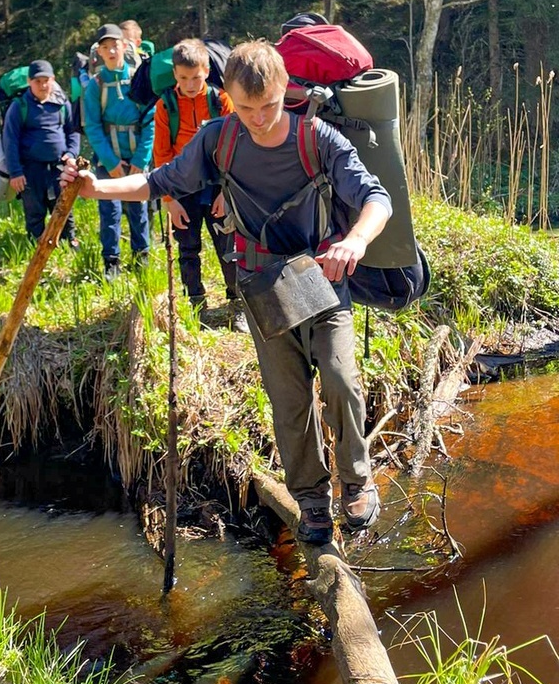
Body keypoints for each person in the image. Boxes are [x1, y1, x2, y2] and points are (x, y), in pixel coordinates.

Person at [62, 40, 391, 545]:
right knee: (289, 401)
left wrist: (355, 240)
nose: (258, 119)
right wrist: (94, 189)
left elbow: (375, 198)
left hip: (324, 282)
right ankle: (310, 501)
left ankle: (356, 482)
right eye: (246, 108)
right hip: (263, 287)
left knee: (341, 380)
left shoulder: (317, 137)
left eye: (269, 106)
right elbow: (158, 181)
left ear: (287, 92)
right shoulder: (219, 139)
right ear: (229, 96)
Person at [153, 39, 243, 326]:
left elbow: (233, 149)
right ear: (175, 75)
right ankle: (197, 305)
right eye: (183, 78)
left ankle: (237, 304)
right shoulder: (166, 106)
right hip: (182, 188)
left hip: (217, 186)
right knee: (188, 248)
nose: (190, 84)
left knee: (228, 246)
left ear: (206, 70)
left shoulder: (221, 100)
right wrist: (169, 200)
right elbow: (162, 155)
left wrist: (227, 193)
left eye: (195, 77)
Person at [81, 23, 154, 279]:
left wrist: (141, 159)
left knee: (139, 208)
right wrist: (110, 162)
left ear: (125, 46)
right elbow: (91, 125)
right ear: (99, 52)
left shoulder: (138, 78)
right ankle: (111, 262)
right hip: (107, 157)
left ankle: (141, 256)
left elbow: (150, 119)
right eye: (105, 47)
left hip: (136, 156)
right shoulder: (95, 85)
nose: (111, 50)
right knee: (109, 210)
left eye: (115, 45)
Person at [2, 59, 80, 248]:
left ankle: (69, 241)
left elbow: (73, 131)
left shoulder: (61, 103)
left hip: (59, 166)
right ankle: (37, 245)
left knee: (63, 206)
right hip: (30, 168)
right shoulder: (19, 106)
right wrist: (15, 172)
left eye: (46, 80)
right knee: (34, 208)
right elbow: (10, 140)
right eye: (38, 81)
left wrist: (71, 153)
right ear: (29, 81)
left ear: (53, 79)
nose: (43, 85)